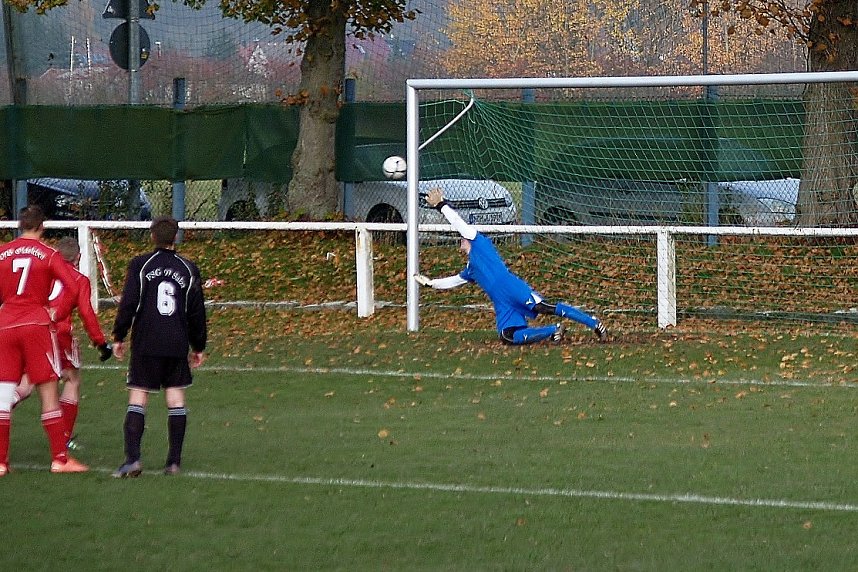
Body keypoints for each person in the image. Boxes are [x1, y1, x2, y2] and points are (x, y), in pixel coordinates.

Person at [415, 187, 608, 346]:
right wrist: (431, 283)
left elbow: (458, 223)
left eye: (462, 237)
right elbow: (454, 281)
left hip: (510, 286)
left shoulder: (479, 242)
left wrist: (442, 205)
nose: (461, 240)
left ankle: (594, 323)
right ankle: (553, 330)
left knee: (543, 306)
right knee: (507, 335)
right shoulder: (471, 268)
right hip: (502, 301)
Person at [111, 216, 207, 478]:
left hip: (146, 342)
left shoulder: (141, 265)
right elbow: (197, 311)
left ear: (152, 236)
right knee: (175, 398)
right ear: (175, 237)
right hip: (176, 342)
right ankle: (173, 462)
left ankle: (133, 459)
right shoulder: (188, 268)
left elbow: (128, 303)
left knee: (138, 396)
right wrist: (199, 346)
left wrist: (119, 335)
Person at [0, 205, 89, 475]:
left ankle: (1, 462)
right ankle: (59, 459)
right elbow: (72, 286)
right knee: (48, 391)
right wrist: (56, 313)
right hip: (36, 325)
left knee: (3, 395)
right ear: (42, 226)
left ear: (20, 225)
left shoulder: (2, 253)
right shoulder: (49, 254)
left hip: (5, 324)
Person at [12, 237, 113, 446]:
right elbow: (87, 312)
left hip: (29, 329)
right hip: (58, 333)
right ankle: (63, 438)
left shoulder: (41, 273)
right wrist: (100, 342)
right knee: (71, 379)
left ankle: (5, 404)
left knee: (28, 381)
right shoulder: (78, 279)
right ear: (78, 257)